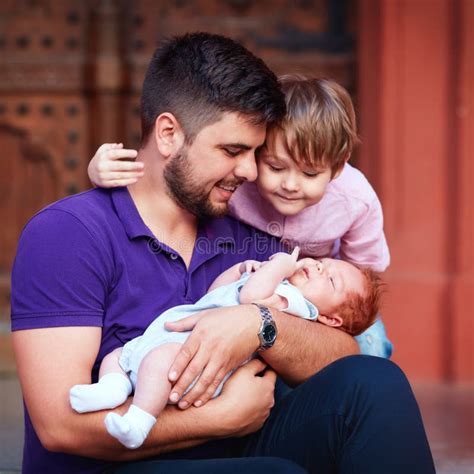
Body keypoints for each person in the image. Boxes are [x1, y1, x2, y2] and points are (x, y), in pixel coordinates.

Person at [11, 32, 435, 474]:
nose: (250, 172)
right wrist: (217, 419)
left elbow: (341, 355)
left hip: (236, 450)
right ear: (169, 134)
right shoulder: (68, 233)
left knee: (375, 382)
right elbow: (59, 427)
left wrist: (259, 326)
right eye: (233, 151)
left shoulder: (249, 233)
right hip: (116, 464)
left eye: (256, 154)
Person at [88, 75, 393, 358]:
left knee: (369, 345)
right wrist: (100, 170)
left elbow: (361, 276)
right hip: (259, 288)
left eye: (310, 173)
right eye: (275, 167)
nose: (289, 184)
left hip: (323, 296)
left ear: (337, 169)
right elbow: (169, 177)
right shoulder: (240, 180)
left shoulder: (355, 200)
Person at [70, 248, 383, 449]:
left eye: (331, 281)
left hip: (191, 356)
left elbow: (250, 299)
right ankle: (111, 388)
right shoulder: (278, 286)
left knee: (157, 363)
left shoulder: (298, 305)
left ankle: (139, 421)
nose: (318, 268)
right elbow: (215, 294)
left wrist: (277, 267)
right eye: (324, 263)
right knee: (117, 356)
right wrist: (237, 271)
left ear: (330, 318)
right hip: (168, 336)